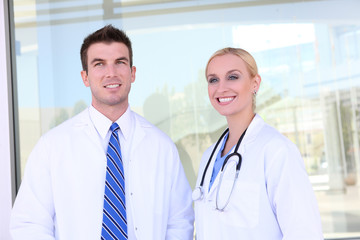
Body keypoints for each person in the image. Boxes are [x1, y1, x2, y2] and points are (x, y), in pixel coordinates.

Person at [10, 25, 194, 240]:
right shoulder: (52, 146)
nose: (111, 73)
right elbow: (29, 224)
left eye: (120, 62)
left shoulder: (162, 147)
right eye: (99, 64)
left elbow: (180, 223)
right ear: (85, 77)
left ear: (132, 73)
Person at [193, 47, 323, 239]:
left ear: (255, 83)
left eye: (233, 77)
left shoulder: (276, 151)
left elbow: (305, 233)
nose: (221, 88)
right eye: (213, 80)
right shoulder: (209, 157)